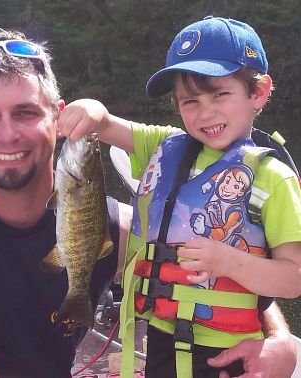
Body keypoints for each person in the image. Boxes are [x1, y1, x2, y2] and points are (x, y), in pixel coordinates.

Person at [0, 28, 298, 377]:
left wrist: (279, 339)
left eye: (25, 112)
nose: (8, 135)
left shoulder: (111, 225)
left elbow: (191, 260)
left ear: (60, 120)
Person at [59, 16, 301, 378]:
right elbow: (105, 124)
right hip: (158, 337)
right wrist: (90, 109)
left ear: (259, 92)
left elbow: (294, 277)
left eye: (220, 93)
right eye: (190, 101)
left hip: (225, 354)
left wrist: (230, 263)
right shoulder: (163, 144)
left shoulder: (273, 178)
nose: (205, 112)